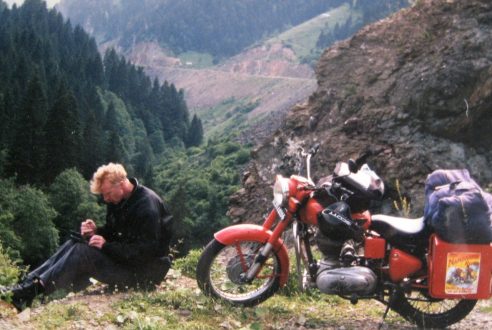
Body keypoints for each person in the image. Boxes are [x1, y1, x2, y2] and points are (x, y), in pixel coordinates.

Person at [1, 163, 173, 311]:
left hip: (144, 274)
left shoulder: (147, 207)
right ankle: (26, 285)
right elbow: (116, 232)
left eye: (107, 194)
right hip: (129, 263)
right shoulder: (120, 200)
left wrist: (105, 246)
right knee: (75, 242)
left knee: (82, 252)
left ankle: (30, 293)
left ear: (121, 183)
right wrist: (95, 232)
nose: (105, 199)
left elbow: (144, 253)